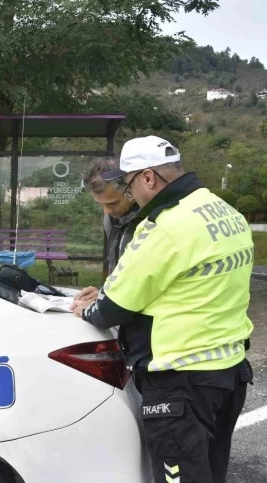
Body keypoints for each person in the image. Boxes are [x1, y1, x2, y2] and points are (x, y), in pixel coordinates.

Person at [72, 135, 254, 483]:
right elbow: (187, 285)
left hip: (181, 383)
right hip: (228, 372)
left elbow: (109, 310)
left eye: (128, 186)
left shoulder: (164, 227)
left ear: (148, 178)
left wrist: (87, 309)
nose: (130, 196)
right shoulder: (223, 211)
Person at [71, 157, 144, 309]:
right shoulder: (111, 217)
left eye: (113, 203)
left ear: (130, 188)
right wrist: (103, 293)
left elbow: (143, 285)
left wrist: (103, 307)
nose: (107, 211)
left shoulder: (152, 220)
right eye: (100, 204)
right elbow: (118, 269)